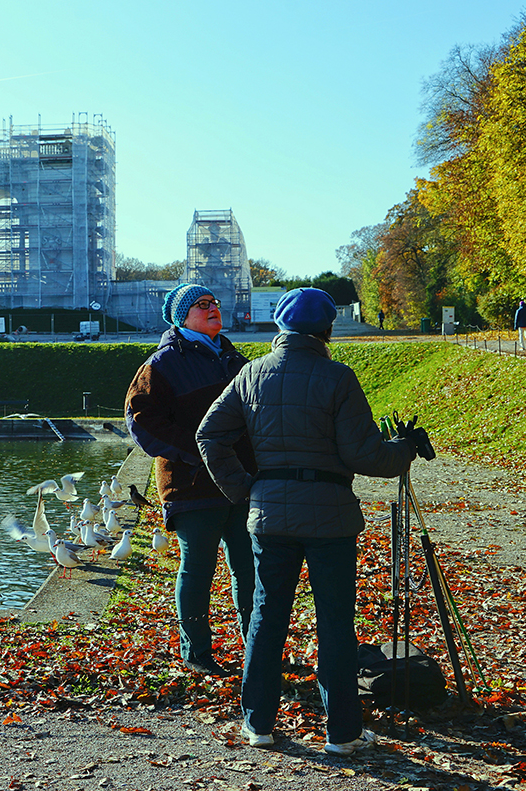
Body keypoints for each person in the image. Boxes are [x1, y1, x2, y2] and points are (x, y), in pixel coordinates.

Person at [196, 287, 427, 756]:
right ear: (326, 330)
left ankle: (258, 723)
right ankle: (341, 733)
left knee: (266, 617)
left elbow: (209, 435)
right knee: (336, 624)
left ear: (280, 326)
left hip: (270, 516)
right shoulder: (338, 377)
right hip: (331, 519)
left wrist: (246, 490)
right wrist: (405, 449)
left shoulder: (250, 375)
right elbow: (364, 455)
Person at [125, 282, 258, 677]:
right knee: (197, 570)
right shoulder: (161, 364)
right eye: (202, 304)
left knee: (250, 568)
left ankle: (258, 647)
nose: (213, 308)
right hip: (193, 486)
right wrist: (200, 452)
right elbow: (142, 423)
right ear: (182, 317)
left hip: (241, 483)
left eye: (215, 302)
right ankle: (198, 654)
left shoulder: (235, 359)